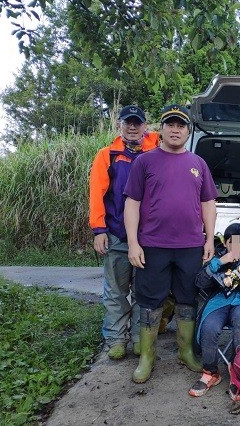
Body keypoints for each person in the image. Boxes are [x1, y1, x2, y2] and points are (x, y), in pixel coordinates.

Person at [124, 104, 218, 383]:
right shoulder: (145, 162)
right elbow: (132, 203)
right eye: (170, 124)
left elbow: (208, 203)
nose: (175, 130)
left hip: (190, 245)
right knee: (150, 301)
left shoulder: (198, 164)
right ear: (161, 129)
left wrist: (209, 238)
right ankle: (147, 357)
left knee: (188, 298)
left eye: (181, 125)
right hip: (152, 244)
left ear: (188, 131)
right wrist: (133, 243)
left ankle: (185, 352)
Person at [89, 105, 159, 360]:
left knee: (144, 292)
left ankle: (141, 338)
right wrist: (99, 230)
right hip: (117, 233)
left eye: (137, 122)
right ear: (120, 125)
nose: (132, 127)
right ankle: (116, 339)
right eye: (127, 122)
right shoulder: (107, 156)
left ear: (145, 125)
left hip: (149, 236)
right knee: (116, 291)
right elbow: (96, 194)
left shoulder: (158, 153)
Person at [190, 223, 240, 400]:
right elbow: (199, 283)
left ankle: (239, 372)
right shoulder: (218, 256)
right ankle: (210, 372)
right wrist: (216, 264)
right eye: (236, 243)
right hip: (218, 302)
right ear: (226, 243)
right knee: (209, 327)